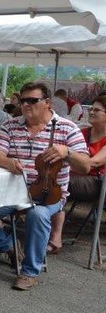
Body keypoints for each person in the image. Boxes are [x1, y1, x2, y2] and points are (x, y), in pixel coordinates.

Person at [0, 83, 89, 291]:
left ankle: (29, 272)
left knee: (38, 214)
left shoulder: (67, 128)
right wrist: (8, 162)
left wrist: (67, 152)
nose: (26, 104)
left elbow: (86, 166)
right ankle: (10, 246)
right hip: (13, 192)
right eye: (23, 100)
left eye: (32, 100)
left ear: (47, 103)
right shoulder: (10, 125)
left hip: (49, 194)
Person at [47, 96, 106, 253]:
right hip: (73, 175)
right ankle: (43, 228)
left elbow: (93, 163)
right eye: (91, 109)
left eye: (97, 110)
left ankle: (54, 236)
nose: (91, 112)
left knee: (57, 183)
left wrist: (69, 157)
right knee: (50, 179)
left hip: (95, 182)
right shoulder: (83, 132)